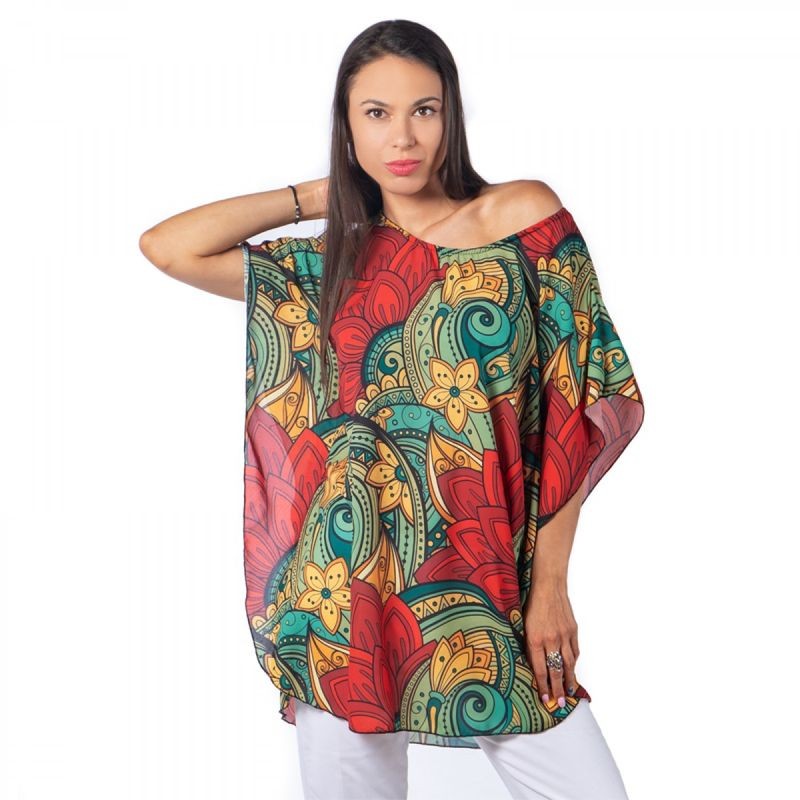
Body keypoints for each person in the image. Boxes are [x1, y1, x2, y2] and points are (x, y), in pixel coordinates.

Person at [140, 18, 645, 800]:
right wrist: (325, 193)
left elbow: (572, 410)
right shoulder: (329, 262)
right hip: (343, 601)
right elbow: (170, 247)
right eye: (375, 114)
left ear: (451, 116)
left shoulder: (524, 221)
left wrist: (551, 586)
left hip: (491, 595)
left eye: (423, 110)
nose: (402, 136)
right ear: (345, 126)